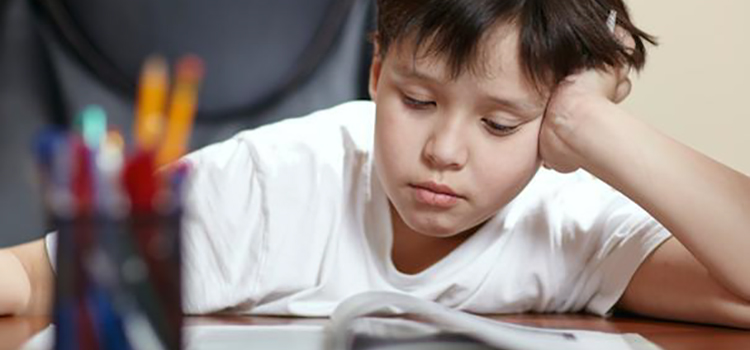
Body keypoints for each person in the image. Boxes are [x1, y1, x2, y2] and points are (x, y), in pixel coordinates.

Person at [2, 0, 750, 328]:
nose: (445, 152)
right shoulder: (276, 183)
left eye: (498, 122)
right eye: (417, 101)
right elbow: (36, 277)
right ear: (376, 73)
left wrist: (597, 126)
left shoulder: (565, 213)